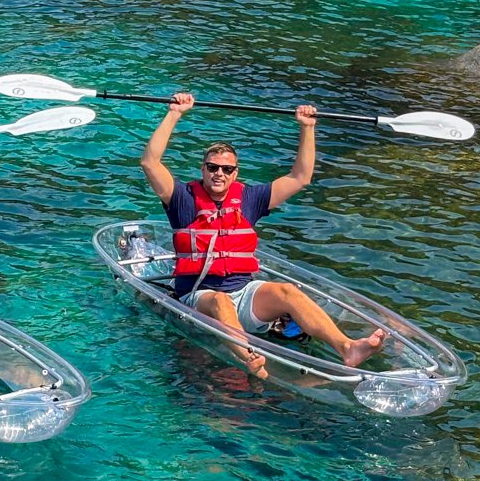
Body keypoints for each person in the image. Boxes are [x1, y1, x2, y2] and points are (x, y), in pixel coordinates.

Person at [141, 93, 386, 379]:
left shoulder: (250, 198)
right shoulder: (182, 198)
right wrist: (174, 113)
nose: (219, 174)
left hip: (244, 294)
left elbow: (300, 177)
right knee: (220, 300)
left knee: (287, 291)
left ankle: (347, 347)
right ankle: (249, 358)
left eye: (227, 169)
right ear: (203, 169)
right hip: (199, 296)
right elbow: (150, 163)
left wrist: (307, 127)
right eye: (212, 167)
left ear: (235, 173)